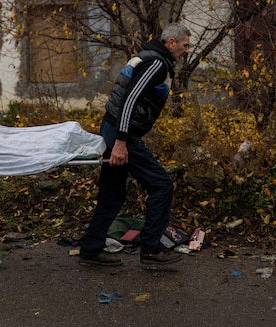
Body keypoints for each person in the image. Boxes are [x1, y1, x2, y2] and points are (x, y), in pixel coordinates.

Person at [78, 22, 191, 269]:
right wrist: (121, 142)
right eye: (184, 45)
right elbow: (130, 100)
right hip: (121, 134)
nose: (186, 51)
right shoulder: (158, 64)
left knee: (112, 192)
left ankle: (90, 249)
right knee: (161, 184)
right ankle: (151, 250)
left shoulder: (147, 57)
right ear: (171, 43)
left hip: (114, 128)